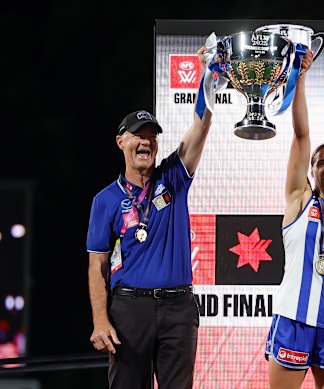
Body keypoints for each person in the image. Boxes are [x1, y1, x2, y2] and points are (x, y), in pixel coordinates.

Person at [86, 45, 214, 389]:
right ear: (120, 142)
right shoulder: (105, 200)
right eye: (137, 137)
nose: (146, 143)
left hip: (178, 308)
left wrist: (207, 74)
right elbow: (97, 267)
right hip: (129, 310)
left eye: (151, 137)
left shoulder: (173, 177)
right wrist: (101, 320)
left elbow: (201, 124)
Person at [264, 48, 324, 389]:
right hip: (295, 318)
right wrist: (299, 78)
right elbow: (302, 136)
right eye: (321, 162)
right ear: (312, 171)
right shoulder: (299, 199)